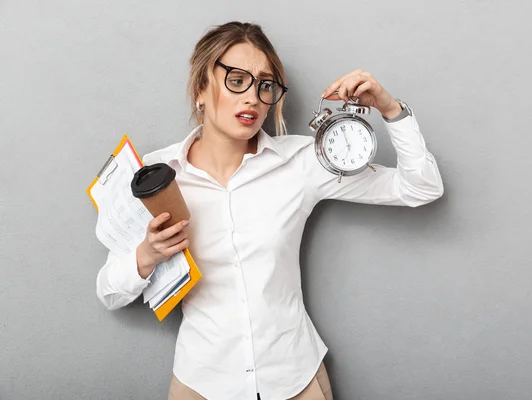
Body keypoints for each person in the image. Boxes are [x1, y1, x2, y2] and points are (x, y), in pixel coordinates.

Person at [96, 21, 444, 400]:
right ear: (200, 88)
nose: (253, 97)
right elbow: (109, 293)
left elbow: (421, 188)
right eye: (236, 80)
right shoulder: (155, 176)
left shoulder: (302, 162)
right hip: (202, 382)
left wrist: (391, 109)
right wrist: (146, 256)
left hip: (295, 377)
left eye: (265, 85)